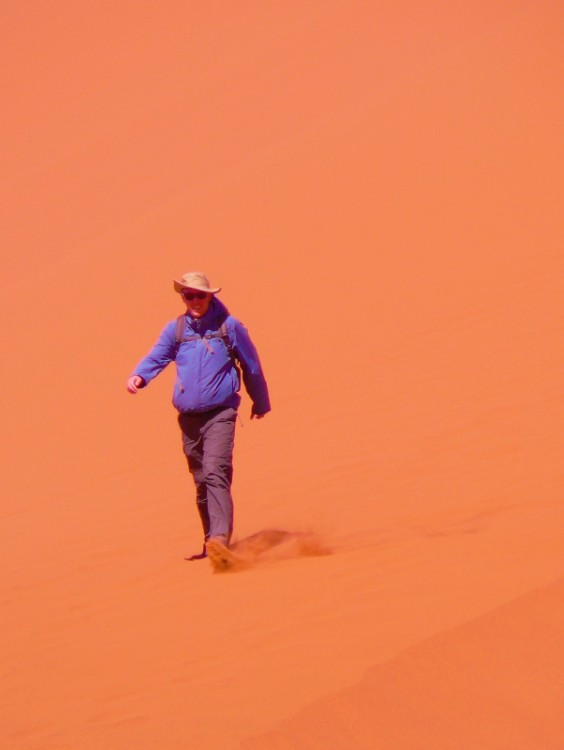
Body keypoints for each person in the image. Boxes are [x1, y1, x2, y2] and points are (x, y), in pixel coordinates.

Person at [127, 271, 271, 558]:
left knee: (216, 471)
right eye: (188, 295)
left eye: (199, 295)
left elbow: (251, 365)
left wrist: (261, 401)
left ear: (210, 295)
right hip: (189, 420)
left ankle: (220, 539)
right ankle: (211, 544)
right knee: (201, 479)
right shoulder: (177, 329)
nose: (194, 300)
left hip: (221, 413)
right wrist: (139, 376)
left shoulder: (229, 326)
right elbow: (157, 356)